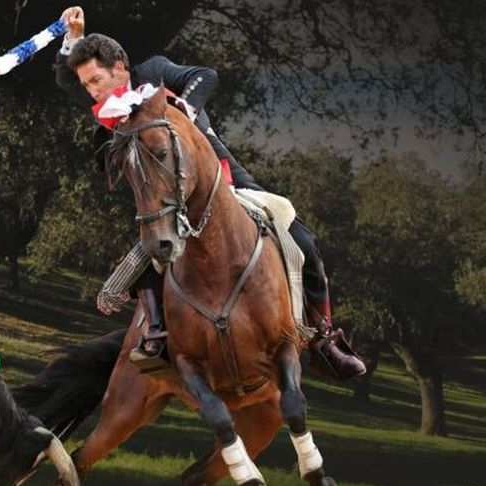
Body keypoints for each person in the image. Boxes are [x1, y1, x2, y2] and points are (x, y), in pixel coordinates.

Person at [55, 6, 365, 381]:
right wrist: (72, 37)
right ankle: (157, 335)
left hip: (223, 173)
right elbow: (65, 83)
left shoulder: (152, 72)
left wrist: (182, 111)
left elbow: (206, 75)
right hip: (162, 197)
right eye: (88, 85)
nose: (92, 90)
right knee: (152, 251)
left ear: (120, 67)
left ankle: (324, 338)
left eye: (96, 81)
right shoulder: (109, 108)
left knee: (304, 240)